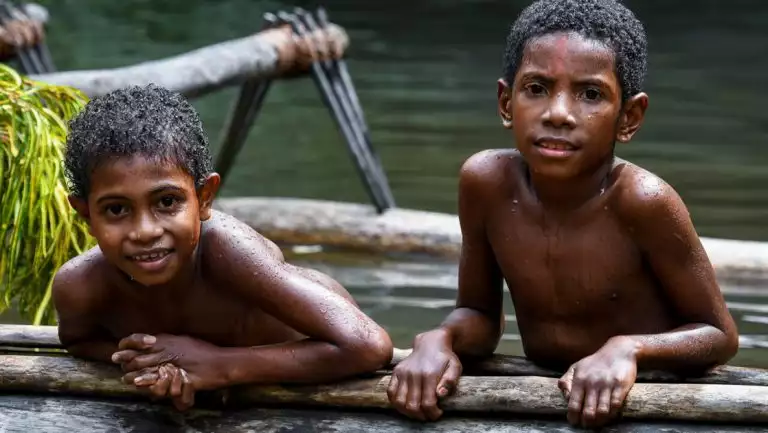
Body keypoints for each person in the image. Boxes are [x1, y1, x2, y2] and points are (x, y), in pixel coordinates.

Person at [386, 0, 739, 429]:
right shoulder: (486, 183)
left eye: (590, 94)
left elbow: (719, 335)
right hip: (547, 395)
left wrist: (627, 350)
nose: (558, 113)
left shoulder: (643, 201)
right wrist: (440, 339)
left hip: (646, 401)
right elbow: (480, 315)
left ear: (629, 117)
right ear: (505, 102)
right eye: (536, 88)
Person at [52, 83, 393, 411]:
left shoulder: (227, 250)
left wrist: (218, 366)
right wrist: (153, 367)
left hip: (320, 357)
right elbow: (80, 342)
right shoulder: (80, 286)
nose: (144, 231)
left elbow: (367, 345)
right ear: (86, 215)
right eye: (116, 210)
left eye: (167, 202)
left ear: (203, 198)